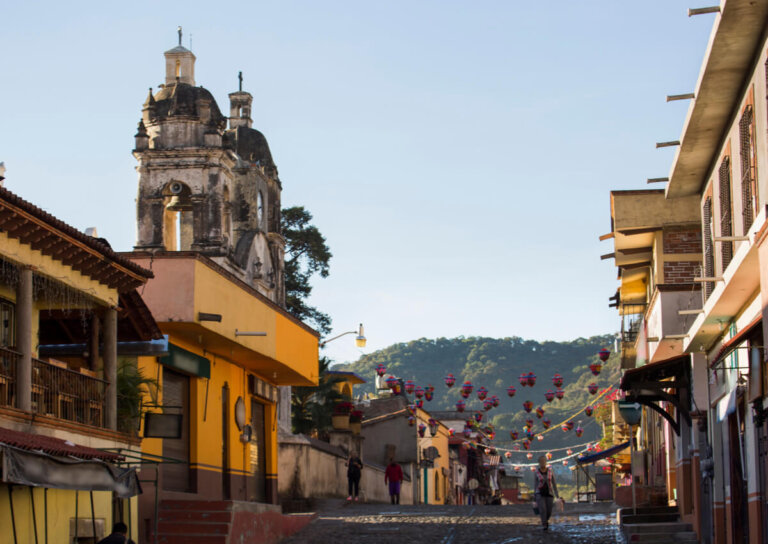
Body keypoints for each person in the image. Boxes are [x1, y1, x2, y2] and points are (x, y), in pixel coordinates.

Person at [534, 455, 560, 531]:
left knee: (549, 510)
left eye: (544, 461)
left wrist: (557, 495)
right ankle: (544, 523)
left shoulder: (550, 471)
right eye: (541, 461)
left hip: (549, 493)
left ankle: (546, 519)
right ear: (539, 463)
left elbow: (554, 483)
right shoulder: (536, 472)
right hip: (539, 493)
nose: (542, 462)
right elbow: (535, 484)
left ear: (546, 462)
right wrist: (534, 496)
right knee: (543, 509)